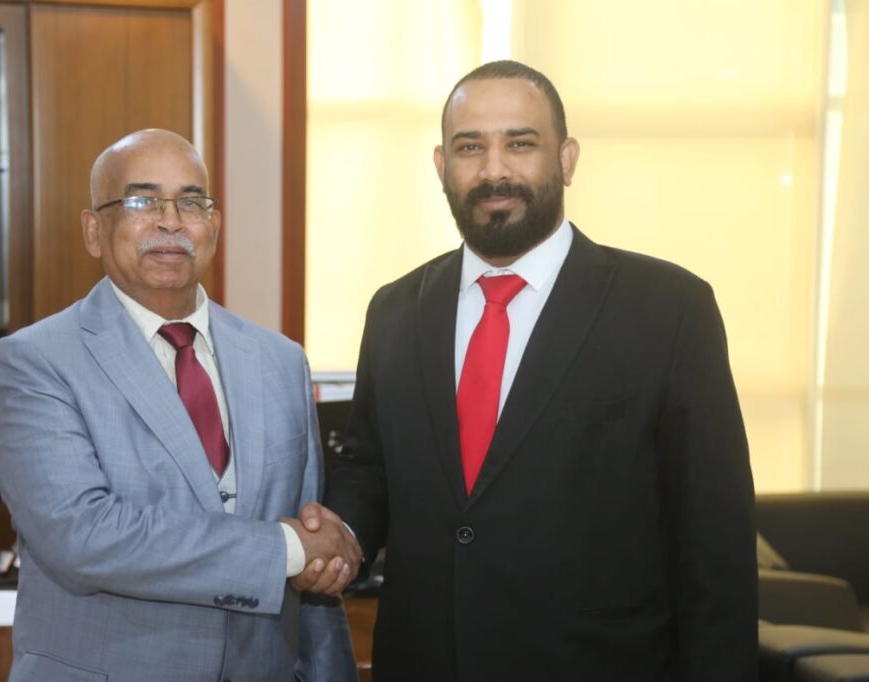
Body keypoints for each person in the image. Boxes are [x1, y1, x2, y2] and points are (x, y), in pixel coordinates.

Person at [309, 61, 758, 680]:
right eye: (470, 147)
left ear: (567, 159)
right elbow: (369, 467)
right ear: (441, 167)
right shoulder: (395, 309)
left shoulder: (669, 309)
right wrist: (338, 535)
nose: (494, 170)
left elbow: (715, 540)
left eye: (520, 144)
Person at [0, 129, 360, 682]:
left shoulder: (281, 361)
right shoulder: (33, 361)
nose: (171, 222)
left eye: (191, 202)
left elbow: (313, 552)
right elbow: (84, 535)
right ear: (94, 230)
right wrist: (287, 550)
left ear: (215, 225)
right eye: (142, 202)